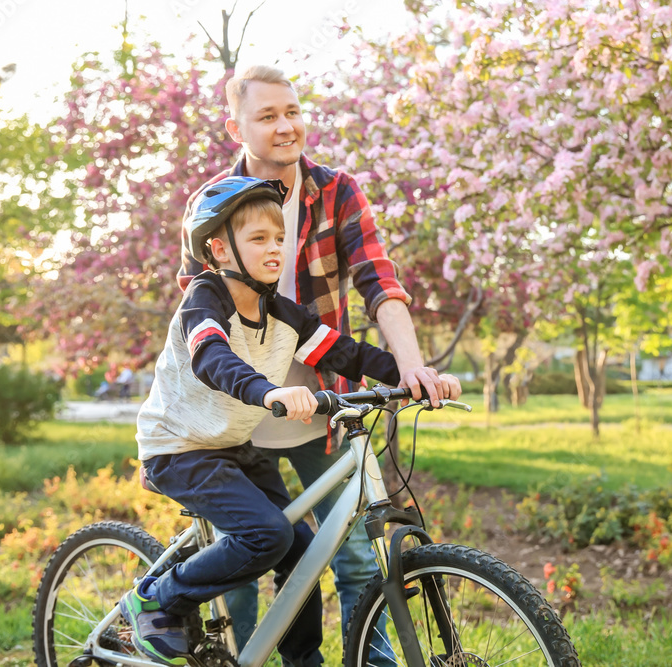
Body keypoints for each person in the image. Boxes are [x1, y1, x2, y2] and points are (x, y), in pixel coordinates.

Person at [179, 65, 457, 662]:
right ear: (236, 127)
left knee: (357, 558)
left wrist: (411, 368)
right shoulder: (212, 205)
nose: (286, 126)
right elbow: (195, 306)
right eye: (268, 116)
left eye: (293, 112)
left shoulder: (338, 191)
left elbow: (380, 283)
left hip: (322, 407)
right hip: (237, 411)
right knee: (248, 556)